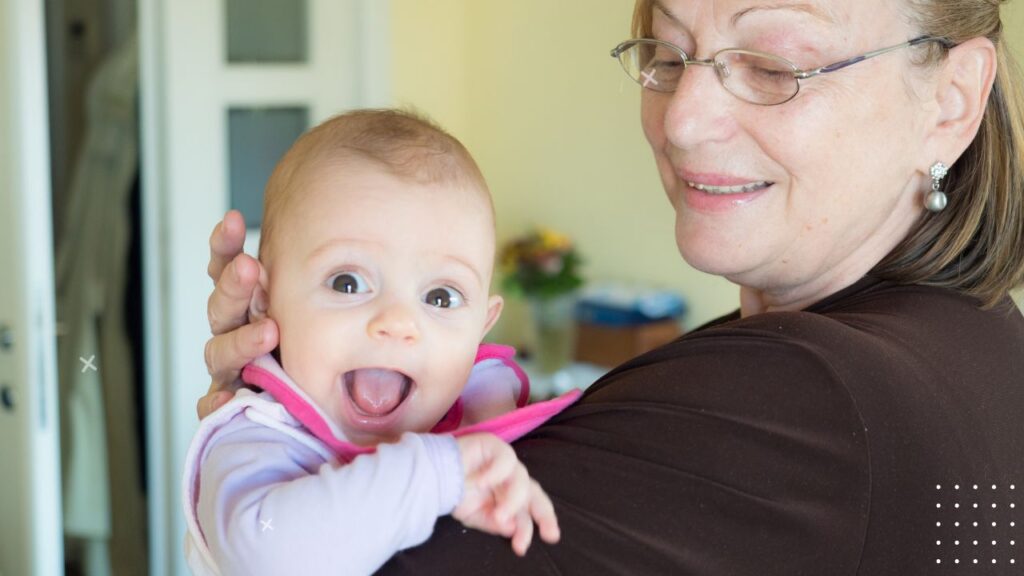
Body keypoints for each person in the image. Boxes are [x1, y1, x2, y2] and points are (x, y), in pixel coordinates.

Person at [198, 0, 1024, 573]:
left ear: (950, 100)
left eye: (773, 64)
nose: (682, 118)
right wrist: (299, 399)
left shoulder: (798, 396)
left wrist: (256, 472)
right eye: (667, 56)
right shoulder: (983, 340)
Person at [184, 110, 573, 576]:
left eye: (441, 297)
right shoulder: (259, 437)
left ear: (482, 328)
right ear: (264, 301)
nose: (397, 322)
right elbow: (268, 555)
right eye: (347, 283)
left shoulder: (482, 411)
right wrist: (436, 475)